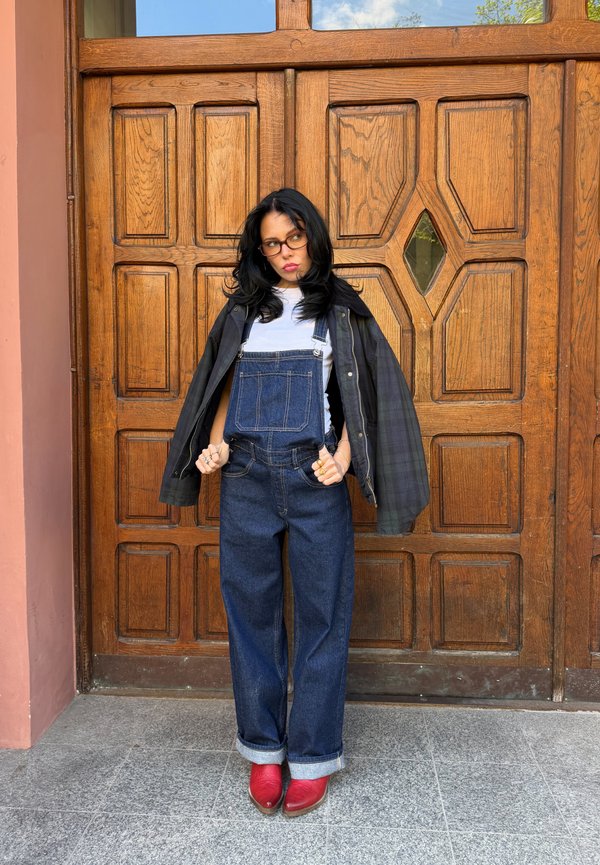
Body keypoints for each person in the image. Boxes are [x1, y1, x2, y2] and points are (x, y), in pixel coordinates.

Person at [159, 188, 429, 817]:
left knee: (322, 618)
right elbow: (222, 388)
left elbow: (361, 397)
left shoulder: (341, 310)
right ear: (259, 249)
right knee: (251, 618)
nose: (285, 253)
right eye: (272, 243)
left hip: (315, 482)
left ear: (314, 237)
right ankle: (262, 750)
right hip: (247, 479)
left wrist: (345, 458)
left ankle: (311, 756)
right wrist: (218, 447)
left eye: (295, 239)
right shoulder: (241, 314)